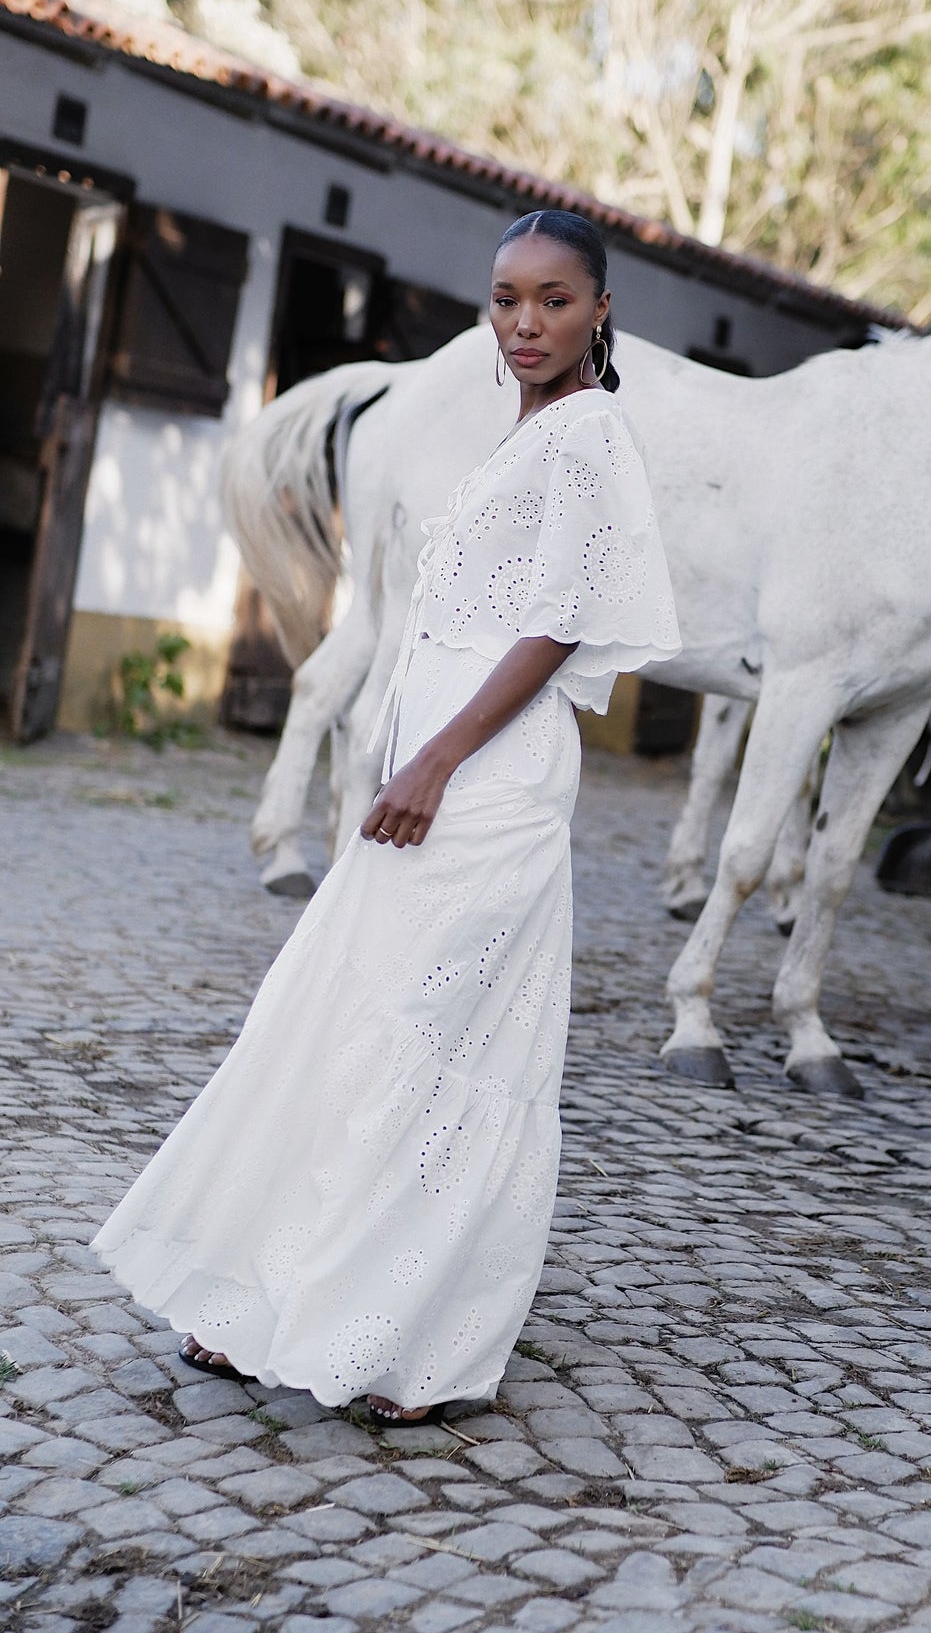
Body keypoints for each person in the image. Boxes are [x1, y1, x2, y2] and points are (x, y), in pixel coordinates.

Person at [92, 209, 682, 1427]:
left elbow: (556, 624)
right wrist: (396, 756)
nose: (526, 323)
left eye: (556, 300)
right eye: (508, 297)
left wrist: (439, 764)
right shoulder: (519, 435)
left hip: (489, 783)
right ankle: (277, 1297)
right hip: (424, 767)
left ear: (601, 311)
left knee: (436, 1043)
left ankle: (403, 1341)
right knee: (345, 1016)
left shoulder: (590, 438)